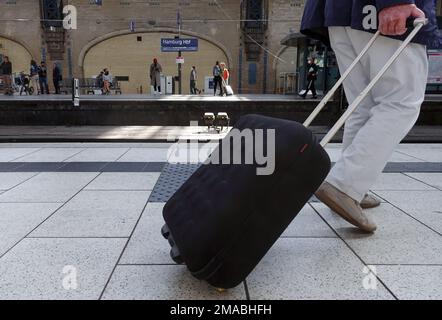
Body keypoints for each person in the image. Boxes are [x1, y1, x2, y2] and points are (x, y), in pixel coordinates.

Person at [301, 1, 441, 233]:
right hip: (377, 7)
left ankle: (354, 186)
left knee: (362, 104)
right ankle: (345, 185)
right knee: (401, 102)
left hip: (340, 12)